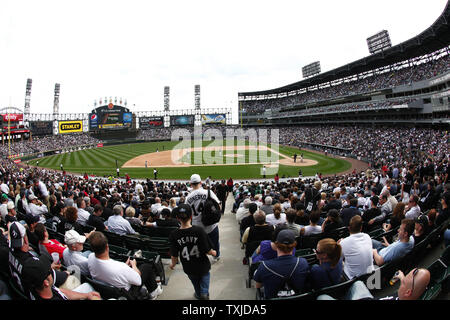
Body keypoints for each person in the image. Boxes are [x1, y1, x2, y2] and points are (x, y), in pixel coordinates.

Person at [87, 231, 162, 300]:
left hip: (108, 288)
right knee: (146, 267)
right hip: (127, 294)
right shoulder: (121, 267)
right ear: (107, 246)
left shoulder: (90, 257)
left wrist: (125, 266)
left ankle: (152, 290)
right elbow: (138, 280)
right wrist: (134, 265)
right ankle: (154, 292)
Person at [169, 204, 217, 300]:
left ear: (178, 218)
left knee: (195, 282)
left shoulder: (174, 234)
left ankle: (199, 294)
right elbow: (207, 250)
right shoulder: (199, 231)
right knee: (204, 278)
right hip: (202, 264)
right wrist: (213, 253)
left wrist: (173, 264)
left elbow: (174, 254)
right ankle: (204, 293)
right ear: (191, 216)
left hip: (188, 266)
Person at [253, 229, 310, 299]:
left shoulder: (265, 266)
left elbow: (258, 285)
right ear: (294, 245)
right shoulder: (303, 263)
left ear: (276, 244)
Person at [317, 268, 431, 300]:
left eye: (404, 282)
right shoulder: (408, 294)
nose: (402, 280)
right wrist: (402, 277)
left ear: (408, 292)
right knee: (358, 284)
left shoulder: (405, 293)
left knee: (321, 297)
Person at [185, 174, 221, 262]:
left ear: (191, 184)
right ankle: (216, 256)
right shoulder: (208, 192)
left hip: (197, 226)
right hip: (211, 225)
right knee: (215, 242)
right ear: (201, 182)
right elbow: (218, 205)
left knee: (200, 245)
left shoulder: (188, 197)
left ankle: (203, 259)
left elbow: (187, 214)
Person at [339, 215, 374, 279]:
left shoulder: (343, 243)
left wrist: (338, 246)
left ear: (349, 228)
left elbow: (338, 259)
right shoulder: (367, 236)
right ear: (361, 228)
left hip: (353, 278)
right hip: (370, 274)